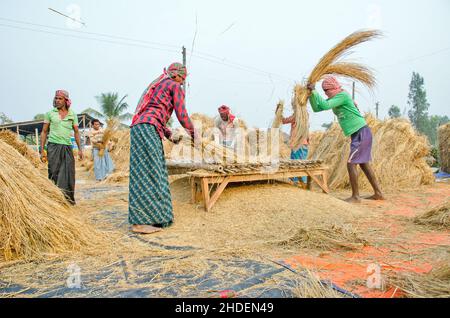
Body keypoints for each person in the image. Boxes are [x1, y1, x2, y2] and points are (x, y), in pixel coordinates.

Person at [129, 62, 195, 234]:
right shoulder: (173, 86)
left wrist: (168, 134)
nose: (182, 83)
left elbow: (153, 112)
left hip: (140, 127)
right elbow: (182, 115)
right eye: (182, 79)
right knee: (152, 172)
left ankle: (152, 218)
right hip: (148, 129)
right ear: (177, 75)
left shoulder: (159, 85)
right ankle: (141, 222)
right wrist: (195, 134)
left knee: (144, 173)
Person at [307, 77, 385, 203]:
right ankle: (378, 193)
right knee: (364, 164)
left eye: (326, 90)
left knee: (351, 163)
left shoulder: (342, 95)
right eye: (324, 91)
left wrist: (315, 91)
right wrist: (311, 94)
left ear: (333, 88)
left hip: (361, 132)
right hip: (358, 133)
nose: (326, 93)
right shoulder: (336, 98)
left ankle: (355, 197)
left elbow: (324, 105)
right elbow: (317, 108)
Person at [40, 90, 83, 204]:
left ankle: (67, 200)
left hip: (67, 147)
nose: (57, 101)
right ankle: (54, 198)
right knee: (54, 172)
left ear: (66, 100)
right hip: (53, 146)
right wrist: (42, 150)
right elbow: (44, 132)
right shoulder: (50, 113)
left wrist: (80, 149)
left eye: (60, 99)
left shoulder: (72, 114)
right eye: (56, 98)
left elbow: (76, 132)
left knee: (68, 173)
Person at [281, 113, 310, 185]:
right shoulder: (305, 115)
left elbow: (284, 121)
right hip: (304, 143)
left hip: (297, 144)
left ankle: (298, 183)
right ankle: (302, 183)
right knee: (302, 163)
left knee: (297, 163)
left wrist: (279, 113)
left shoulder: (297, 115)